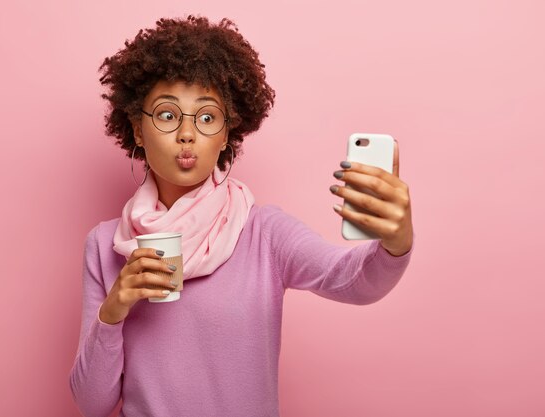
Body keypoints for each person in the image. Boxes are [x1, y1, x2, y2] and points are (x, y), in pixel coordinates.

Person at [69, 15, 414, 417]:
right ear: (138, 130)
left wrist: (396, 241)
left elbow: (353, 282)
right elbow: (92, 404)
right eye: (166, 115)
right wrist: (113, 312)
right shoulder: (105, 246)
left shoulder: (264, 233)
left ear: (226, 134)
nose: (187, 134)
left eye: (206, 117)